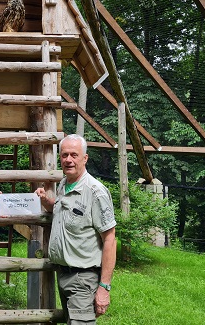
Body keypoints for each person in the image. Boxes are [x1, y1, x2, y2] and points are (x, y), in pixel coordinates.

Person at [35, 134, 116, 324]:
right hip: (63, 273)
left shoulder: (95, 192)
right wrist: (47, 201)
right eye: (64, 155)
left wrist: (104, 287)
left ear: (85, 158)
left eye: (74, 155)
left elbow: (110, 239)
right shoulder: (64, 184)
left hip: (83, 278)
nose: (68, 160)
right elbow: (63, 211)